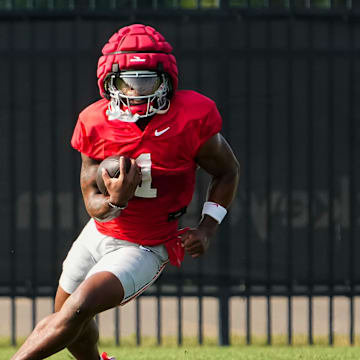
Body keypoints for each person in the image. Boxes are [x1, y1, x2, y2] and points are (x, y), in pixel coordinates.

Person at [11, 23, 240, 360]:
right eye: (128, 82)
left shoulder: (191, 118)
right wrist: (116, 199)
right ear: (110, 82)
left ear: (167, 80)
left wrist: (207, 227)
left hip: (146, 244)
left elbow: (227, 170)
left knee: (79, 307)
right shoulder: (94, 121)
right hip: (98, 232)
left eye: (148, 80)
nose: (138, 92)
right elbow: (92, 201)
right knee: (70, 319)